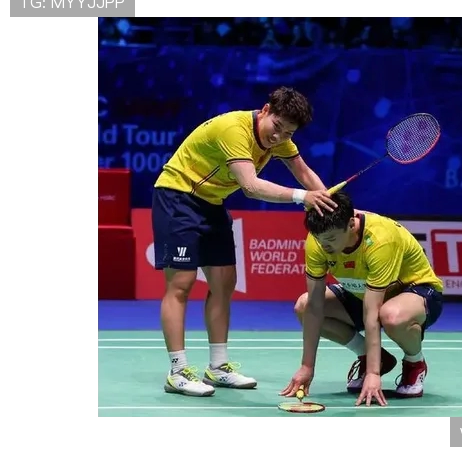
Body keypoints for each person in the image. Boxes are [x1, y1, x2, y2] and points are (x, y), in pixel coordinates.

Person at [152, 87, 336, 397]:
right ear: (265, 110)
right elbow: (250, 186)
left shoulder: (280, 139)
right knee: (181, 284)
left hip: (211, 203)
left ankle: (218, 366)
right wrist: (303, 197)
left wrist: (332, 203)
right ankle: (178, 371)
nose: (279, 137)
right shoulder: (234, 129)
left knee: (224, 283)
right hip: (177, 196)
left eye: (288, 133)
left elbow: (303, 172)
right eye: (277, 126)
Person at [280, 190, 444, 406]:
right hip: (361, 292)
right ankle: (373, 357)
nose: (325, 246)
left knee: (391, 316)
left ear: (351, 224)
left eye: (331, 239)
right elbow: (314, 306)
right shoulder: (319, 240)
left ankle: (415, 362)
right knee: (304, 306)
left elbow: (372, 311)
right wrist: (307, 367)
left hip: (416, 293)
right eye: (320, 240)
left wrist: (373, 375)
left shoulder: (380, 240)